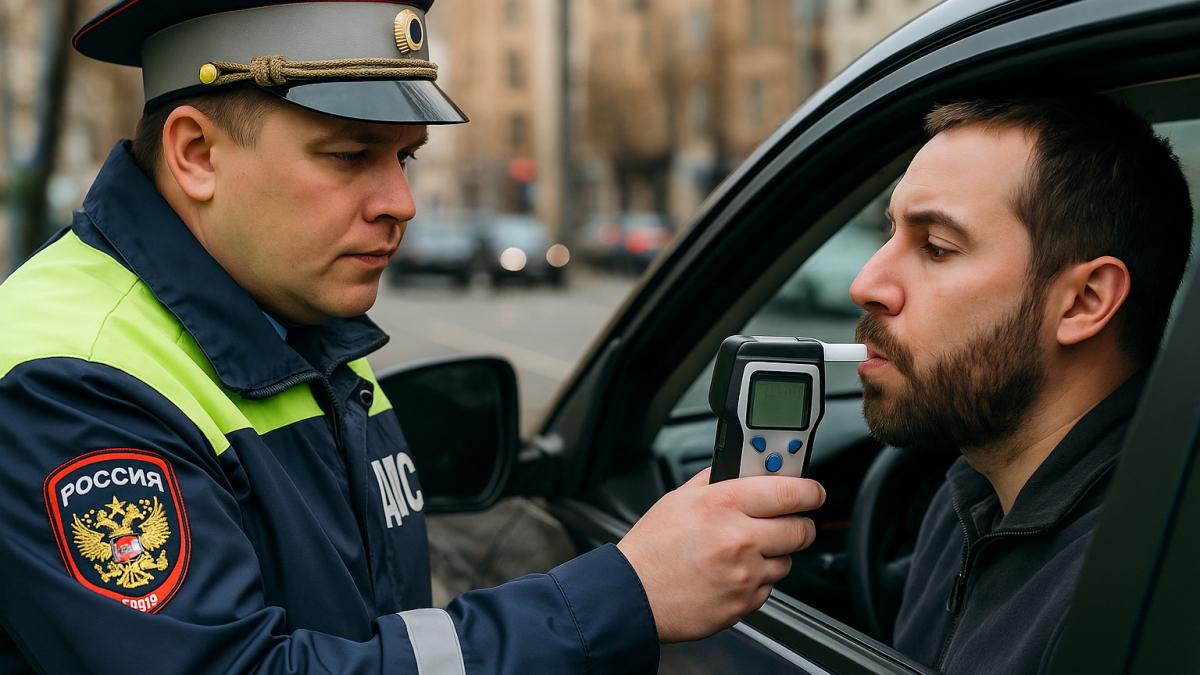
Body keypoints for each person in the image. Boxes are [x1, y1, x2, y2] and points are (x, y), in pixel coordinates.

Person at [0, 2, 826, 672]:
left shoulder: (298, 324)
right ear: (195, 154)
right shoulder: (67, 378)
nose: (401, 201)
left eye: (408, 158)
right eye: (352, 154)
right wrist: (621, 595)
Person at [848, 96, 1193, 674]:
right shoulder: (971, 489)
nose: (867, 283)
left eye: (936, 246)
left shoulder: (1134, 597)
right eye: (891, 232)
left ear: (1084, 302)